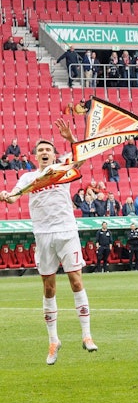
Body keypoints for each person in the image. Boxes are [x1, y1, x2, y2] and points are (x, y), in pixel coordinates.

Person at [0, 121, 96, 363]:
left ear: (54, 154)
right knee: (49, 288)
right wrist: (5, 195)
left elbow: (82, 158)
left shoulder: (62, 169)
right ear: (35, 156)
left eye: (48, 150)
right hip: (43, 235)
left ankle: (86, 335)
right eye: (40, 150)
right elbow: (13, 197)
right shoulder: (29, 178)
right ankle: (53, 341)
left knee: (76, 280)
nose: (44, 152)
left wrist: (71, 137)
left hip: (67, 232)